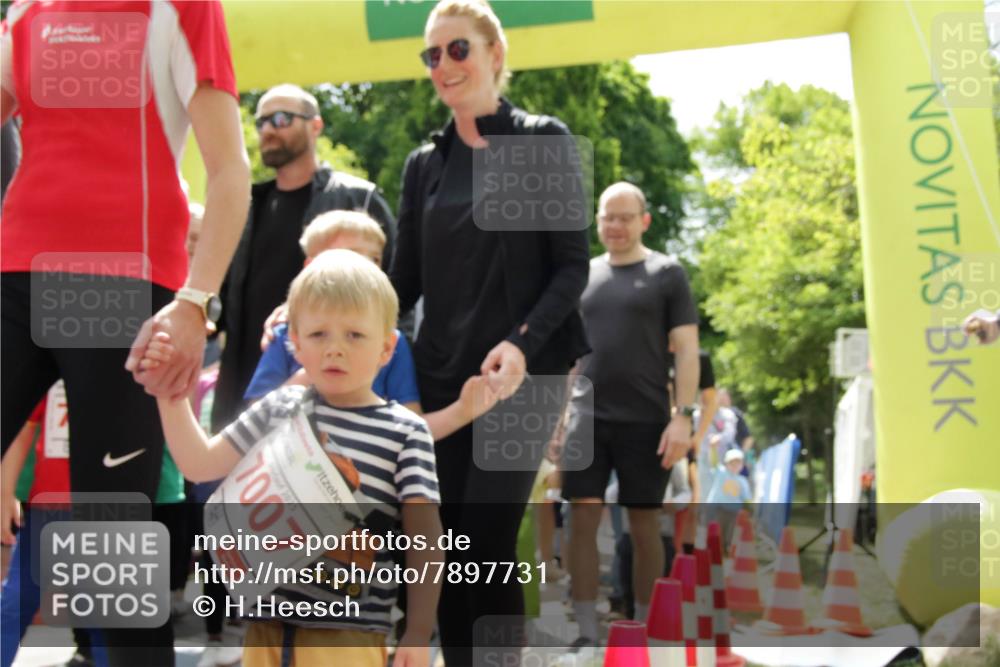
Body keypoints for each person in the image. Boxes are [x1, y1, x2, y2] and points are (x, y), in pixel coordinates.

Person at [1, 2, 249, 664]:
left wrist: (195, 302)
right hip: (14, 276)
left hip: (125, 286)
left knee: (111, 554)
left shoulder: (183, 7)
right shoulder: (28, 9)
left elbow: (230, 172)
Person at [390, 2, 591, 662]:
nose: (444, 65)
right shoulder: (426, 164)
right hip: (441, 379)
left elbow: (570, 268)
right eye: (432, 54)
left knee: (484, 539)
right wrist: (320, 313)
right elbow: (401, 285)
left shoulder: (539, 140)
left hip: (521, 377)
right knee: (441, 542)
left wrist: (520, 341)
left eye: (458, 49)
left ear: (495, 55)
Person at [148, 250, 443, 667]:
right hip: (264, 627)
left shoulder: (405, 433)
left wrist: (417, 631)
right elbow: (199, 465)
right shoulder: (281, 407)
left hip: (349, 637)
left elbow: (426, 539)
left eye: (354, 335)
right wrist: (169, 393)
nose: (335, 349)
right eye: (319, 334)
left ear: (387, 347)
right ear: (295, 344)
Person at [212, 84, 396, 434]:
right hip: (247, 383)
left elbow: (394, 288)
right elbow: (222, 292)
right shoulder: (246, 204)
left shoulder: (358, 198)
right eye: (262, 120)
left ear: (315, 126)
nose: (268, 129)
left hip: (331, 390)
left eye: (281, 119)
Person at [561, 182, 699, 644]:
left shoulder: (667, 273)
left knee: (643, 523)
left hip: (647, 419)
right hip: (586, 417)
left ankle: (642, 629)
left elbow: (687, 350)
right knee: (581, 517)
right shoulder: (581, 274)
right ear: (597, 220)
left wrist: (684, 415)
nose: (615, 226)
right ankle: (585, 632)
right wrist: (557, 417)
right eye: (607, 216)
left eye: (625, 217)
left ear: (644, 220)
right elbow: (567, 353)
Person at [246, 210, 499, 439]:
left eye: (376, 259)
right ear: (311, 265)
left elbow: (413, 426)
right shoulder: (284, 335)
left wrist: (463, 411)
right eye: (353, 254)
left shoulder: (390, 342)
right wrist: (312, 370)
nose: (367, 266)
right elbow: (252, 423)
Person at [705, 449, 752, 551]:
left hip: (734, 512)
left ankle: (725, 550)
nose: (735, 465)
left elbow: (747, 499)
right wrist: (713, 447)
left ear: (742, 465)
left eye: (738, 463)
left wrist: (749, 511)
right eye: (732, 463)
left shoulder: (743, 481)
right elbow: (713, 463)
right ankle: (713, 550)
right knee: (716, 531)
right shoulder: (721, 473)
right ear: (726, 463)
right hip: (718, 509)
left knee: (730, 533)